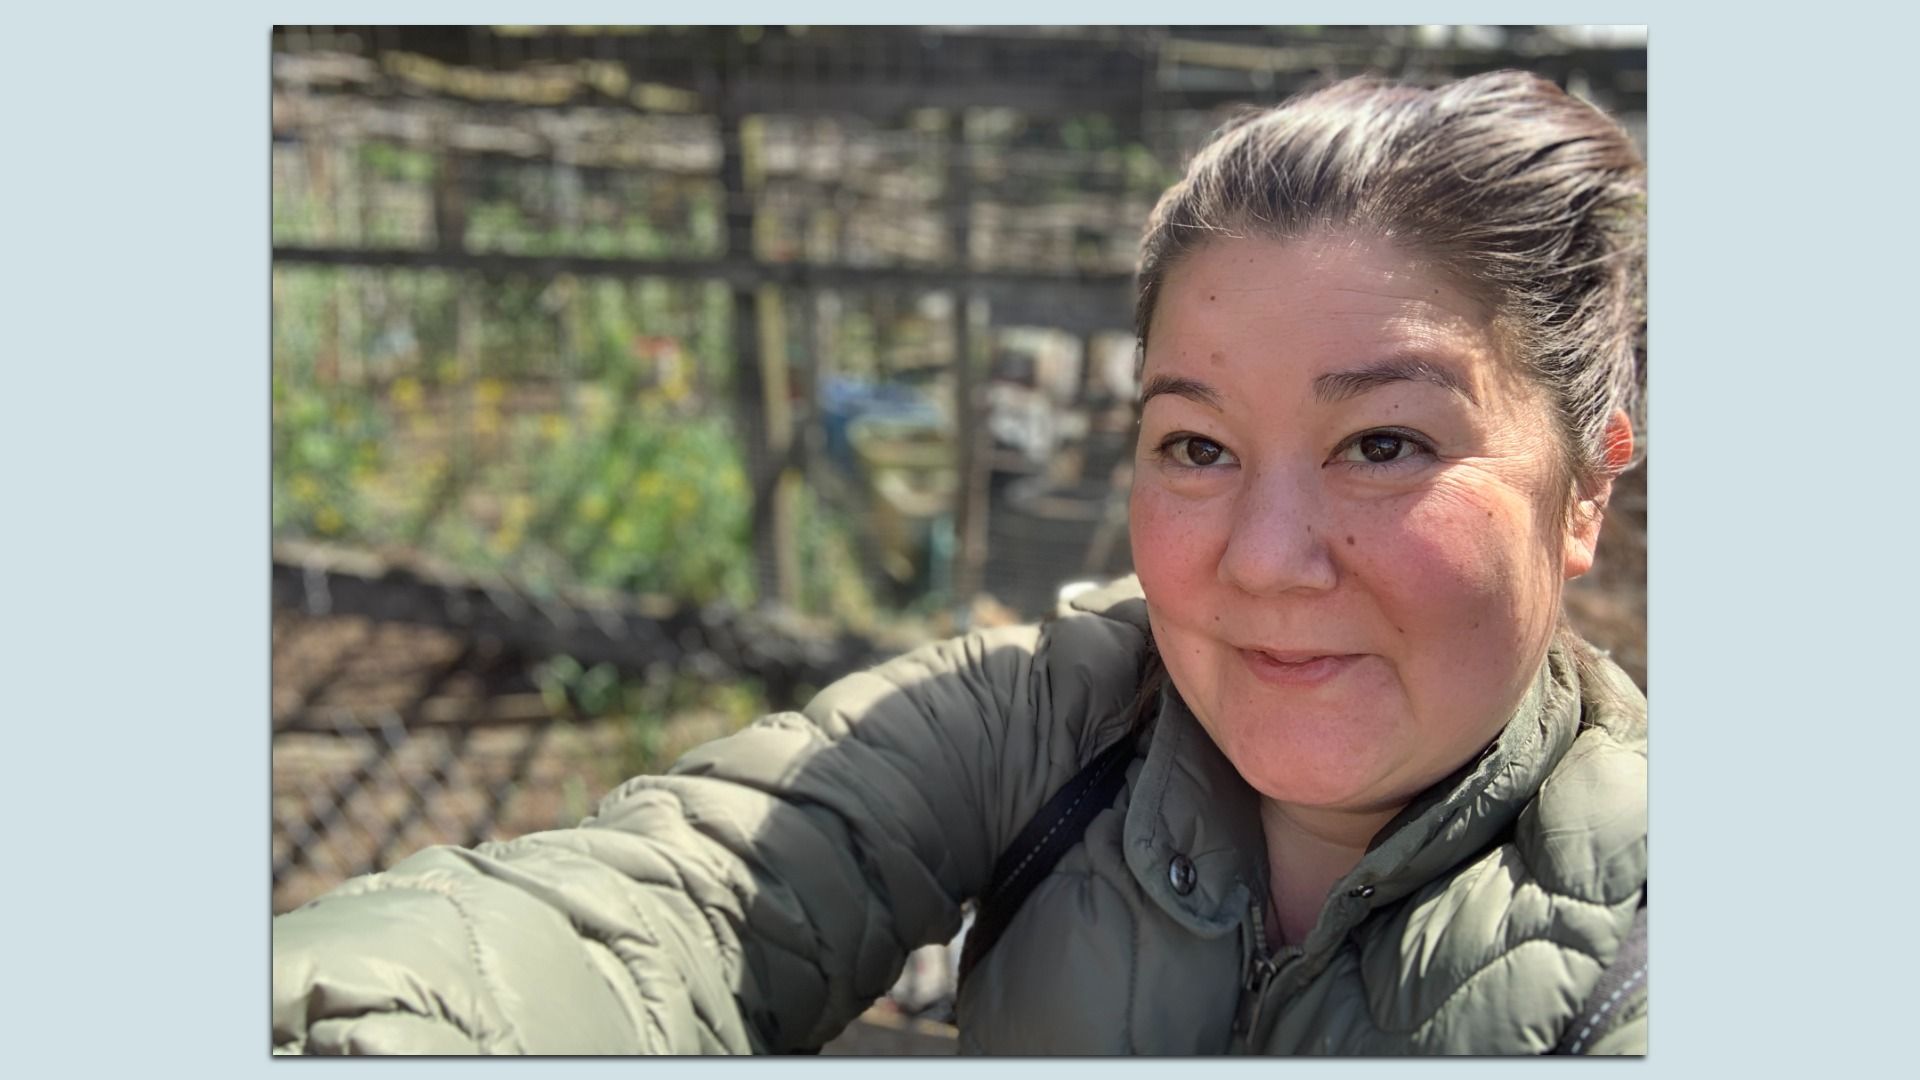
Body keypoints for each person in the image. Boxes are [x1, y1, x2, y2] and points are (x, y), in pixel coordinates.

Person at [272, 70, 1648, 1055]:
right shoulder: (1054, 721)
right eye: (1197, 447)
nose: (1269, 561)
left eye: (1385, 444)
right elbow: (667, 906)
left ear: (1587, 484)